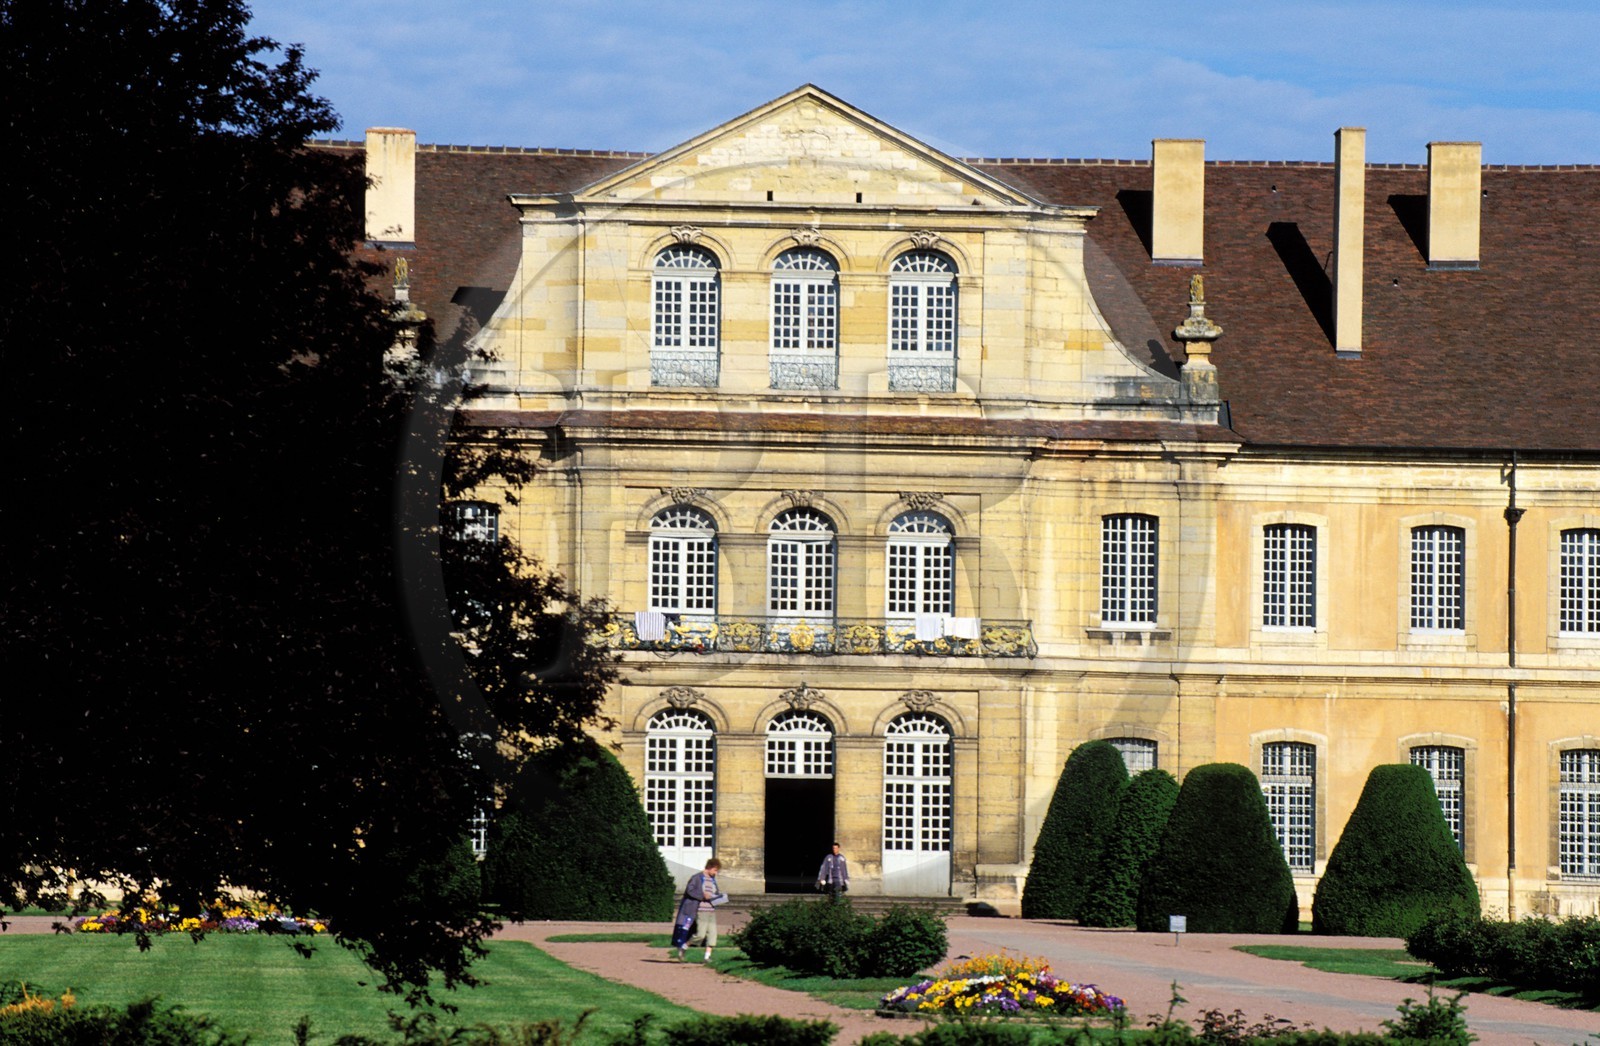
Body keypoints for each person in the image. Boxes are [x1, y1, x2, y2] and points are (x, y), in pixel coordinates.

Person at [671, 858, 726, 962]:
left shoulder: (713, 880)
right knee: (700, 934)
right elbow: (689, 891)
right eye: (715, 870)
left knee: (712, 934)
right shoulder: (696, 878)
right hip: (701, 910)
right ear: (709, 867)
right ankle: (684, 946)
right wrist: (702, 896)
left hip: (711, 910)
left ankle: (707, 957)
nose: (716, 873)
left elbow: (716, 893)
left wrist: (718, 898)